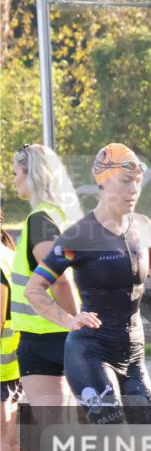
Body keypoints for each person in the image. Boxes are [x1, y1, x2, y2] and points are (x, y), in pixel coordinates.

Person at [24, 144, 151, 424]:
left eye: (137, 182)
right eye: (126, 182)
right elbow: (34, 289)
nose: (134, 189)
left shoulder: (143, 227)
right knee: (114, 434)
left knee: (147, 434)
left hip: (133, 352)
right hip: (90, 353)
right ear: (102, 182)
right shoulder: (78, 237)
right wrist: (68, 319)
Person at [9, 144, 83, 416]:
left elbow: (58, 280)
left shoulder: (40, 220)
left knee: (55, 431)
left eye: (16, 172)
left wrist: (74, 322)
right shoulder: (62, 216)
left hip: (45, 335)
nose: (13, 179)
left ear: (32, 175)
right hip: (54, 333)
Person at [0, 209, 21, 451]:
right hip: (14, 358)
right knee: (8, 435)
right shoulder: (8, 252)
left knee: (5, 435)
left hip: (3, 362)